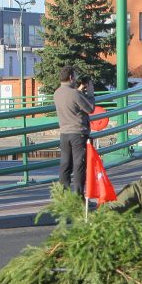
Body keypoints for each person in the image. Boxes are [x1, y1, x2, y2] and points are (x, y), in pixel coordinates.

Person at [55, 65, 95, 195]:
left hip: (64, 134)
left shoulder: (57, 93)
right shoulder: (75, 94)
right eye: (75, 77)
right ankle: (78, 196)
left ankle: (63, 195)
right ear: (71, 77)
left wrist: (78, 91)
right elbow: (90, 108)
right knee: (79, 164)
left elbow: (71, 101)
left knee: (65, 163)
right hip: (78, 134)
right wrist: (90, 94)